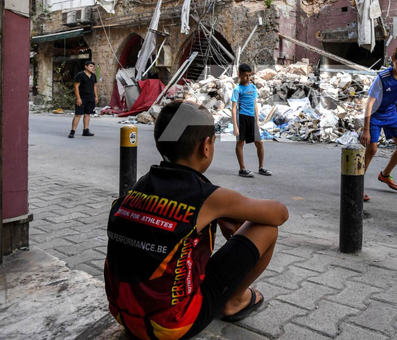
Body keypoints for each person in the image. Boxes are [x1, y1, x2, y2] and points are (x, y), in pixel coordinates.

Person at [104, 100, 289, 340]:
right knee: (265, 229)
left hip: (123, 313)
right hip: (170, 326)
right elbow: (279, 213)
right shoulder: (206, 196)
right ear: (206, 146)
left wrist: (218, 214)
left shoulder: (142, 183)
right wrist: (222, 210)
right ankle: (234, 302)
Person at [359, 45, 397, 202]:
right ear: (393, 61)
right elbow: (369, 104)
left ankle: (385, 174)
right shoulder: (381, 78)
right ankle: (358, 184)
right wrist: (366, 130)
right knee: (372, 148)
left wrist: (396, 113)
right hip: (375, 115)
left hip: (391, 115)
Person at [231, 63, 271, 178]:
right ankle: (242, 169)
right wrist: (235, 126)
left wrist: (257, 121)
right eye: (245, 76)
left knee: (259, 142)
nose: (247, 78)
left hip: (251, 118)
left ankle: (261, 167)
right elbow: (233, 109)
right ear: (239, 75)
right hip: (242, 117)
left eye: (249, 75)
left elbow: (255, 104)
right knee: (240, 143)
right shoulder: (237, 89)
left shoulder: (253, 87)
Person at [69, 61, 98, 138]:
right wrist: (78, 98)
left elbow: (94, 86)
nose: (92, 68)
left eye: (93, 67)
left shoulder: (93, 76)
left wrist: (96, 96)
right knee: (78, 114)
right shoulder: (80, 75)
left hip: (91, 98)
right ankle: (72, 131)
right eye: (91, 66)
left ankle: (86, 130)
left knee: (88, 114)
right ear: (86, 66)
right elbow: (76, 86)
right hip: (82, 98)